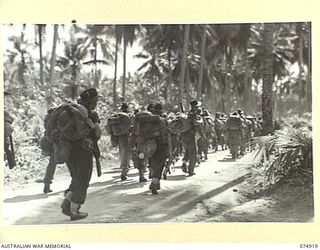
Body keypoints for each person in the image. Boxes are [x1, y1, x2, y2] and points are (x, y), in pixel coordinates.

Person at [61, 88, 101, 221]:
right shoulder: (90, 113)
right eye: (96, 99)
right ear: (91, 100)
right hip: (83, 148)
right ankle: (74, 210)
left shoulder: (70, 109)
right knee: (83, 178)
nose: (97, 102)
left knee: (76, 177)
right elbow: (98, 133)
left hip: (68, 148)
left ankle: (67, 201)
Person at [147, 103, 172, 194]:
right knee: (160, 164)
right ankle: (154, 182)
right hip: (162, 144)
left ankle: (156, 183)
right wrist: (170, 150)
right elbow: (168, 134)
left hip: (150, 144)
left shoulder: (149, 121)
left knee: (153, 162)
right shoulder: (164, 120)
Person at [4, 90, 16, 169]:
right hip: (5, 133)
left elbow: (11, 119)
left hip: (5, 133)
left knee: (6, 148)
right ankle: (12, 166)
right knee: (6, 148)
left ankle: (12, 166)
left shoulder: (4, 112)